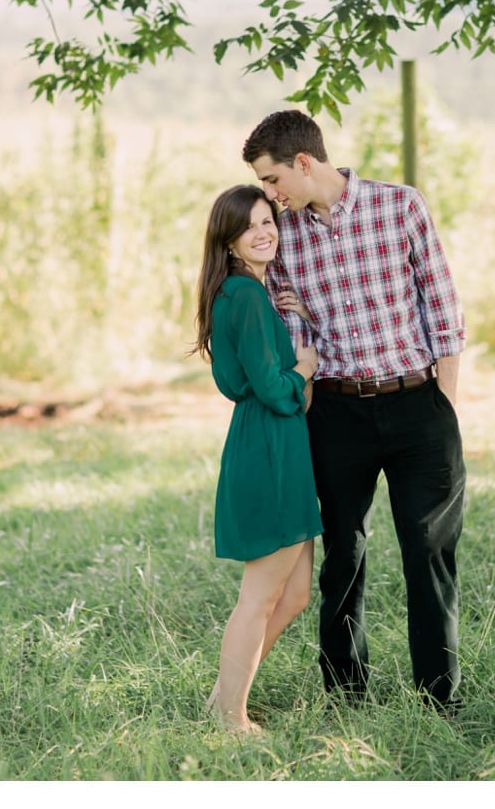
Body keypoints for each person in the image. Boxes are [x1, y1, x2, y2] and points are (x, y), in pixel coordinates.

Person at [242, 109, 467, 713]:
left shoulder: (400, 206)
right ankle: (346, 695)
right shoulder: (283, 240)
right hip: (336, 414)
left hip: (419, 404)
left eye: (271, 180)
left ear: (304, 163)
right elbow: (291, 334)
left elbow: (442, 309)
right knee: (343, 553)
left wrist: (441, 408)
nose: (269, 195)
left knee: (429, 553)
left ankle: (439, 697)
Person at [193, 184, 324, 733]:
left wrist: (289, 321)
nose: (264, 231)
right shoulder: (244, 296)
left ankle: (223, 697)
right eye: (250, 226)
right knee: (260, 596)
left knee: (293, 594)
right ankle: (231, 718)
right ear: (229, 241)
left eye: (268, 219)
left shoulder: (248, 293)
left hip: (276, 442)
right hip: (269, 444)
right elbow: (272, 388)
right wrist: (306, 368)